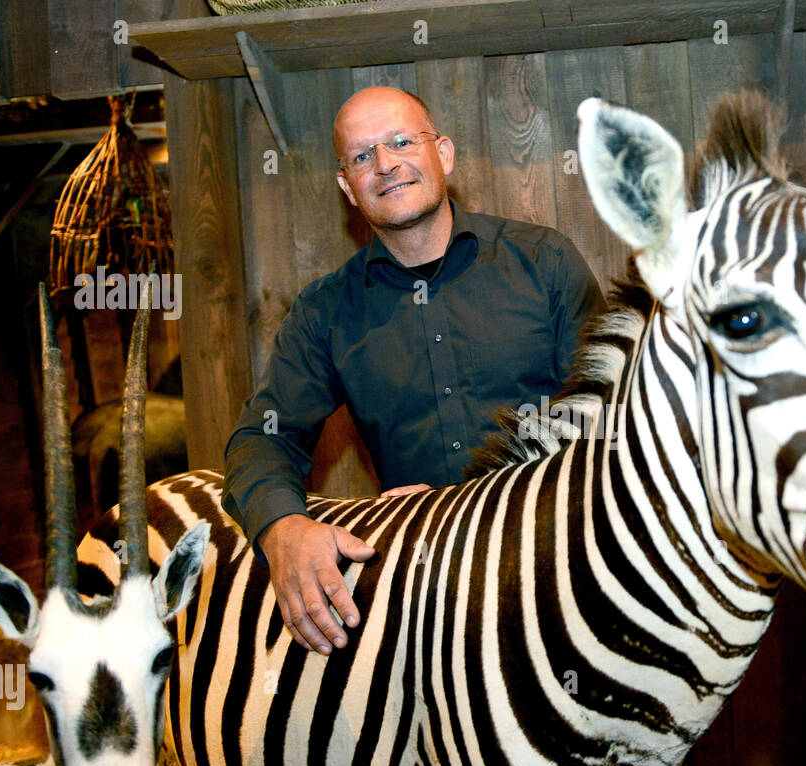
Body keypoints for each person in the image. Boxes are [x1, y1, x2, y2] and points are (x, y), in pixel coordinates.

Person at [222, 86, 606, 657]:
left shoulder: (544, 264)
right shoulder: (327, 313)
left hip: (563, 576)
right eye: (361, 156)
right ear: (347, 188)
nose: (385, 164)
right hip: (428, 605)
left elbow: (609, 423)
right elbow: (260, 439)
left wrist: (479, 509)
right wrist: (283, 529)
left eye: (403, 141)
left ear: (443, 155)